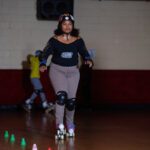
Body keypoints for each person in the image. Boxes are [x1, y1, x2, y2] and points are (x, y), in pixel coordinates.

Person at [39, 13, 93, 139]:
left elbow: (84, 52)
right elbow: (45, 53)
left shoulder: (78, 40)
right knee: (61, 97)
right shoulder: (54, 40)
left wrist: (88, 59)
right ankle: (59, 126)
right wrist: (43, 63)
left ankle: (70, 124)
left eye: (70, 24)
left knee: (71, 102)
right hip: (57, 71)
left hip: (73, 72)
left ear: (73, 26)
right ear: (60, 25)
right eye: (64, 24)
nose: (67, 26)